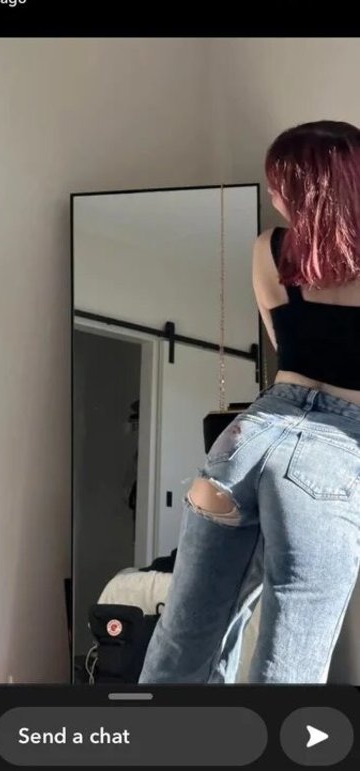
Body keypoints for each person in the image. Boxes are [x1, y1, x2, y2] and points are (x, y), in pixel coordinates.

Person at [139, 120, 360, 684]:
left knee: (184, 637)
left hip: (247, 438)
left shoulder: (269, 250)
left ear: (304, 188)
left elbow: (285, 344)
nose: (272, 194)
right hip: (329, 459)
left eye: (280, 182)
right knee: (290, 659)